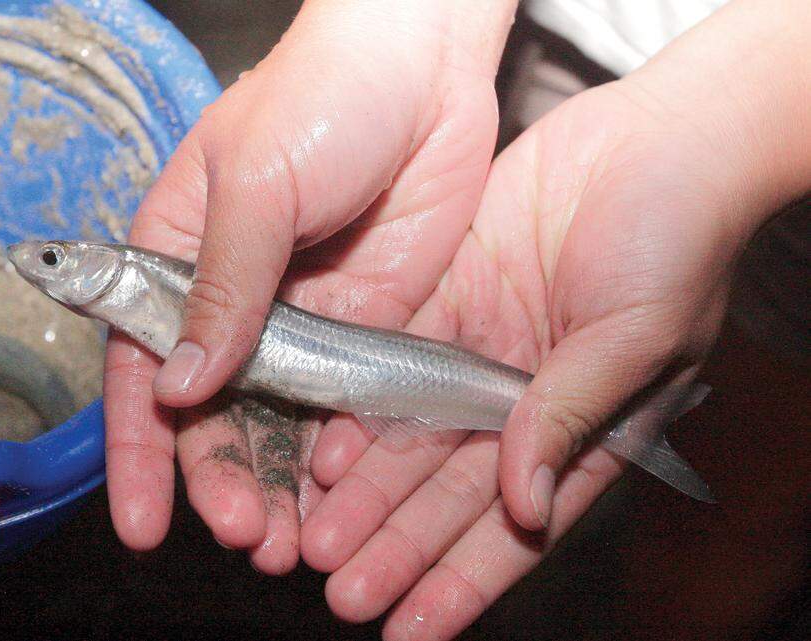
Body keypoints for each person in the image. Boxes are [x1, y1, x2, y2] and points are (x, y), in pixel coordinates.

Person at [102, 0, 810, 638]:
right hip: (567, 41)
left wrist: (725, 132)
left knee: (750, 479)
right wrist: (416, 24)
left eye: (52, 260)